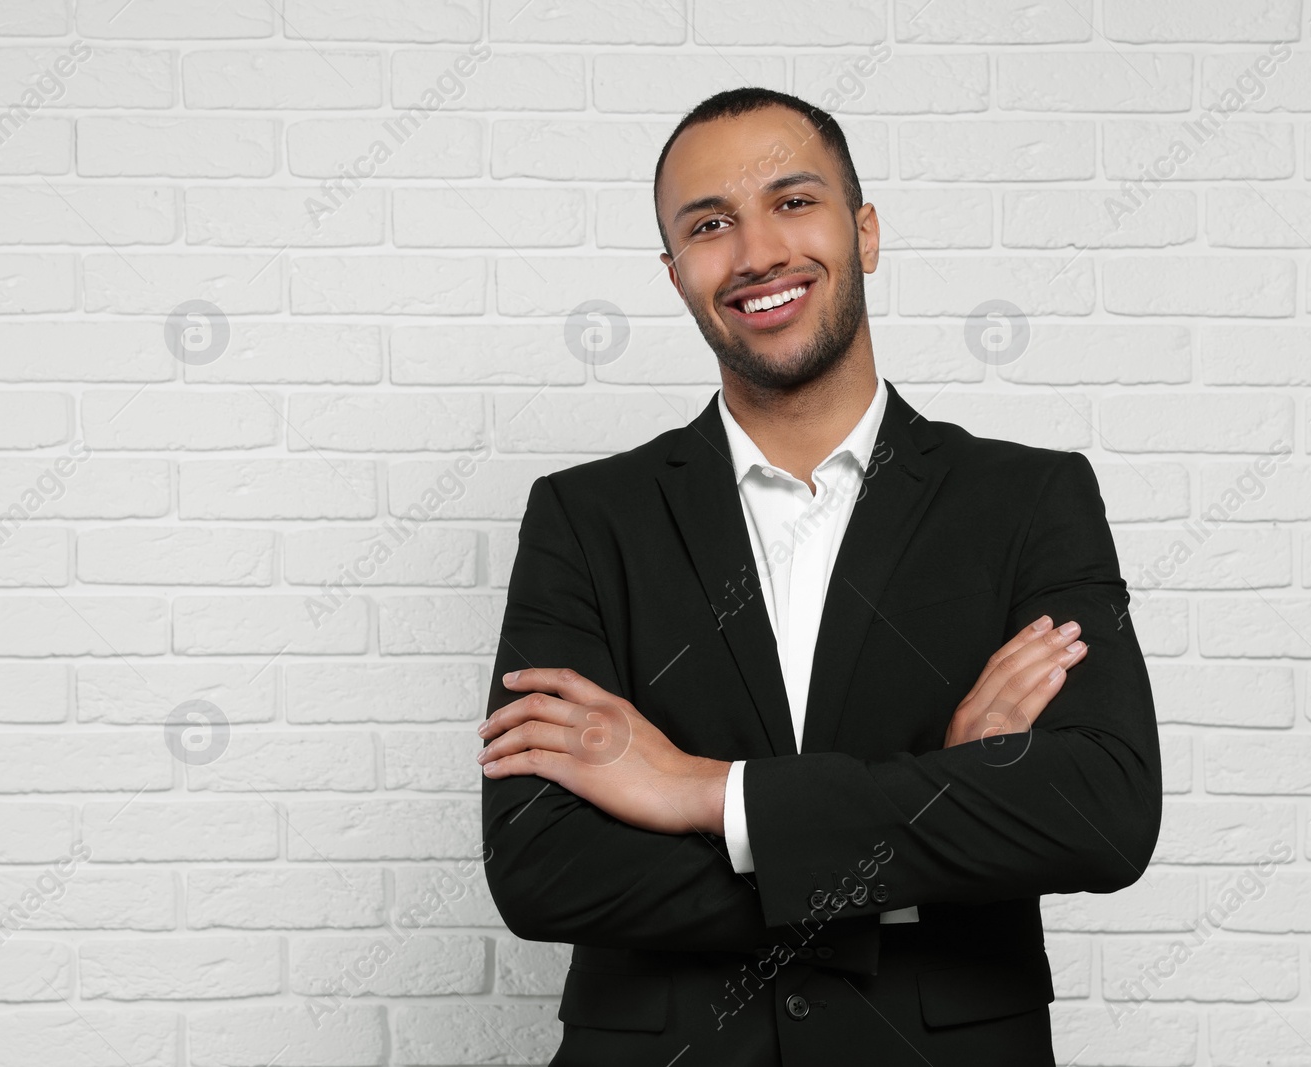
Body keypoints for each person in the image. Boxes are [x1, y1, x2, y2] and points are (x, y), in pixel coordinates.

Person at [477, 87, 1162, 1066]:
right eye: (710, 224)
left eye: (793, 202)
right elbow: (542, 864)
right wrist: (943, 800)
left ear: (865, 231)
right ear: (675, 275)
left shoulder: (1028, 498)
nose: (755, 251)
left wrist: (708, 793)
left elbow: (1100, 807)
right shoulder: (586, 519)